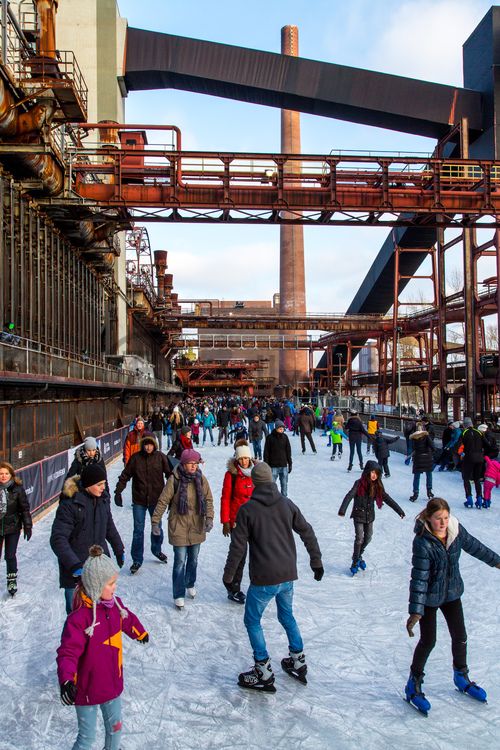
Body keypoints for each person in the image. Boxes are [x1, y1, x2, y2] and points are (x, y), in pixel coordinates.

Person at [223, 462, 323, 692]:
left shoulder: (247, 510)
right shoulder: (286, 504)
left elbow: (237, 548)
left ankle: (263, 670)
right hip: (287, 576)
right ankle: (298, 660)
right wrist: (316, 561)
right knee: (287, 616)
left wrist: (229, 577)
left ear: (255, 483)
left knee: (252, 621)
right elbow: (307, 531)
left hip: (264, 579)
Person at [405, 497, 500, 715]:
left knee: (461, 636)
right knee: (428, 641)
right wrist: (415, 612)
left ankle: (461, 675)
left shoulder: (455, 531)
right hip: (429, 598)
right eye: (438, 518)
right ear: (428, 518)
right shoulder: (422, 541)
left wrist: (497, 561)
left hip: (452, 593)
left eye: (446, 517)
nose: (443, 522)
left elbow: (475, 547)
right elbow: (419, 578)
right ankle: (413, 684)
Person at [57, 545, 148, 750]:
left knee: (115, 729)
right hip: (87, 689)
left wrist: (139, 632)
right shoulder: (79, 619)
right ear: (97, 586)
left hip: (112, 684)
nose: (115, 587)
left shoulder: (115, 606)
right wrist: (66, 679)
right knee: (87, 739)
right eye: (111, 584)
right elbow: (68, 652)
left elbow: (127, 618)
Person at [50, 464, 125, 614]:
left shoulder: (103, 499)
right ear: (88, 484)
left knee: (102, 612)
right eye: (99, 484)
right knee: (76, 614)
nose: (103, 487)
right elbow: (58, 538)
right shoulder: (70, 504)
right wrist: (74, 564)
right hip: (76, 571)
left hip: (98, 567)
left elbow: (109, 526)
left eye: (104, 483)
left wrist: (118, 548)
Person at [151, 449, 214, 610]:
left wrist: (209, 518)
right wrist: (155, 522)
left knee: (193, 559)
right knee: (180, 561)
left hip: (196, 526)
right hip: (178, 525)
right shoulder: (175, 479)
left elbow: (208, 499)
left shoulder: (201, 479)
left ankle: (190, 582)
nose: (193, 467)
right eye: (190, 464)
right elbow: (163, 500)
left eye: (195, 463)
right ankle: (178, 593)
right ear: (183, 464)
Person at [114, 432, 170, 574]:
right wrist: (118, 492)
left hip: (156, 500)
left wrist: (172, 495)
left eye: (150, 444)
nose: (148, 447)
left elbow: (170, 475)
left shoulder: (160, 457)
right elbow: (125, 475)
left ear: (154, 445)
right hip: (139, 500)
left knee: (157, 528)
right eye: (146, 444)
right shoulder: (135, 459)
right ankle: (137, 559)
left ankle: (156, 550)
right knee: (138, 531)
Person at [338, 461, 405, 575]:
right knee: (359, 538)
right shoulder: (359, 484)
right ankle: (355, 561)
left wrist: (399, 511)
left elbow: (387, 499)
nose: (374, 475)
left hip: (369, 516)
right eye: (372, 472)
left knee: (368, 538)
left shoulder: (377, 486)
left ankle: (358, 556)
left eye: (377, 473)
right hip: (358, 515)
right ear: (367, 472)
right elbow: (349, 495)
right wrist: (342, 510)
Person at [220, 444, 255, 603]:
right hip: (237, 521)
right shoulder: (231, 475)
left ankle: (260, 586)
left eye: (246, 458)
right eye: (241, 458)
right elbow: (225, 498)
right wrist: (225, 521)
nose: (244, 461)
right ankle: (233, 586)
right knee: (239, 554)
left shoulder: (256, 473)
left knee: (256, 554)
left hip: (254, 520)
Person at [0, 461, 32, 596]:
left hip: (12, 527)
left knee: (10, 555)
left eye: (6, 473)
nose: (3, 476)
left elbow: (24, 509)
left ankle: (11, 580)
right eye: (1, 474)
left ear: (11, 474)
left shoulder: (18, 489)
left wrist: (28, 526)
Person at [460, 417, 485, 508]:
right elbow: (486, 444)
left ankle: (469, 498)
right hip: (479, 459)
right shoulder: (479, 432)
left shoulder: (464, 433)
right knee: (477, 479)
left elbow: (460, 446)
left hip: (468, 458)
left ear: (464, 425)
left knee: (466, 478)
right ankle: (479, 498)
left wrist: (462, 454)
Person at [263, 420, 292, 497]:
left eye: (283, 428)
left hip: (283, 465)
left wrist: (290, 463)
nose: (282, 430)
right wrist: (266, 464)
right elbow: (266, 452)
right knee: (271, 485)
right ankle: (271, 499)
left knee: (284, 485)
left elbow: (288, 451)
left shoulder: (285, 437)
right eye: (280, 428)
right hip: (273, 466)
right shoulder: (270, 438)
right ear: (276, 428)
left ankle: (284, 500)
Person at [408, 422, 435, 502]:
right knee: (429, 474)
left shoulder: (414, 437)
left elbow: (413, 448)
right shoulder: (426, 436)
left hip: (418, 458)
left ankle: (415, 493)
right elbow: (432, 446)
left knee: (417, 476)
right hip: (427, 457)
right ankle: (429, 491)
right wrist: (432, 452)